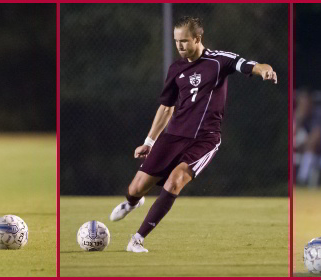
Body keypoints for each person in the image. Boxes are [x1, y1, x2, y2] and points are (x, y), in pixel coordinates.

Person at [106, 16, 278, 253]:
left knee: (175, 180)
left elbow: (250, 65)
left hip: (205, 138)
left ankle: (137, 239)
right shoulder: (176, 69)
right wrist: (149, 141)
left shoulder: (219, 61)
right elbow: (166, 108)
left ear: (198, 38)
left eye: (184, 41)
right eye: (176, 41)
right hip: (174, 135)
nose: (179, 46)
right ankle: (132, 202)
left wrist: (265, 70)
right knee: (136, 188)